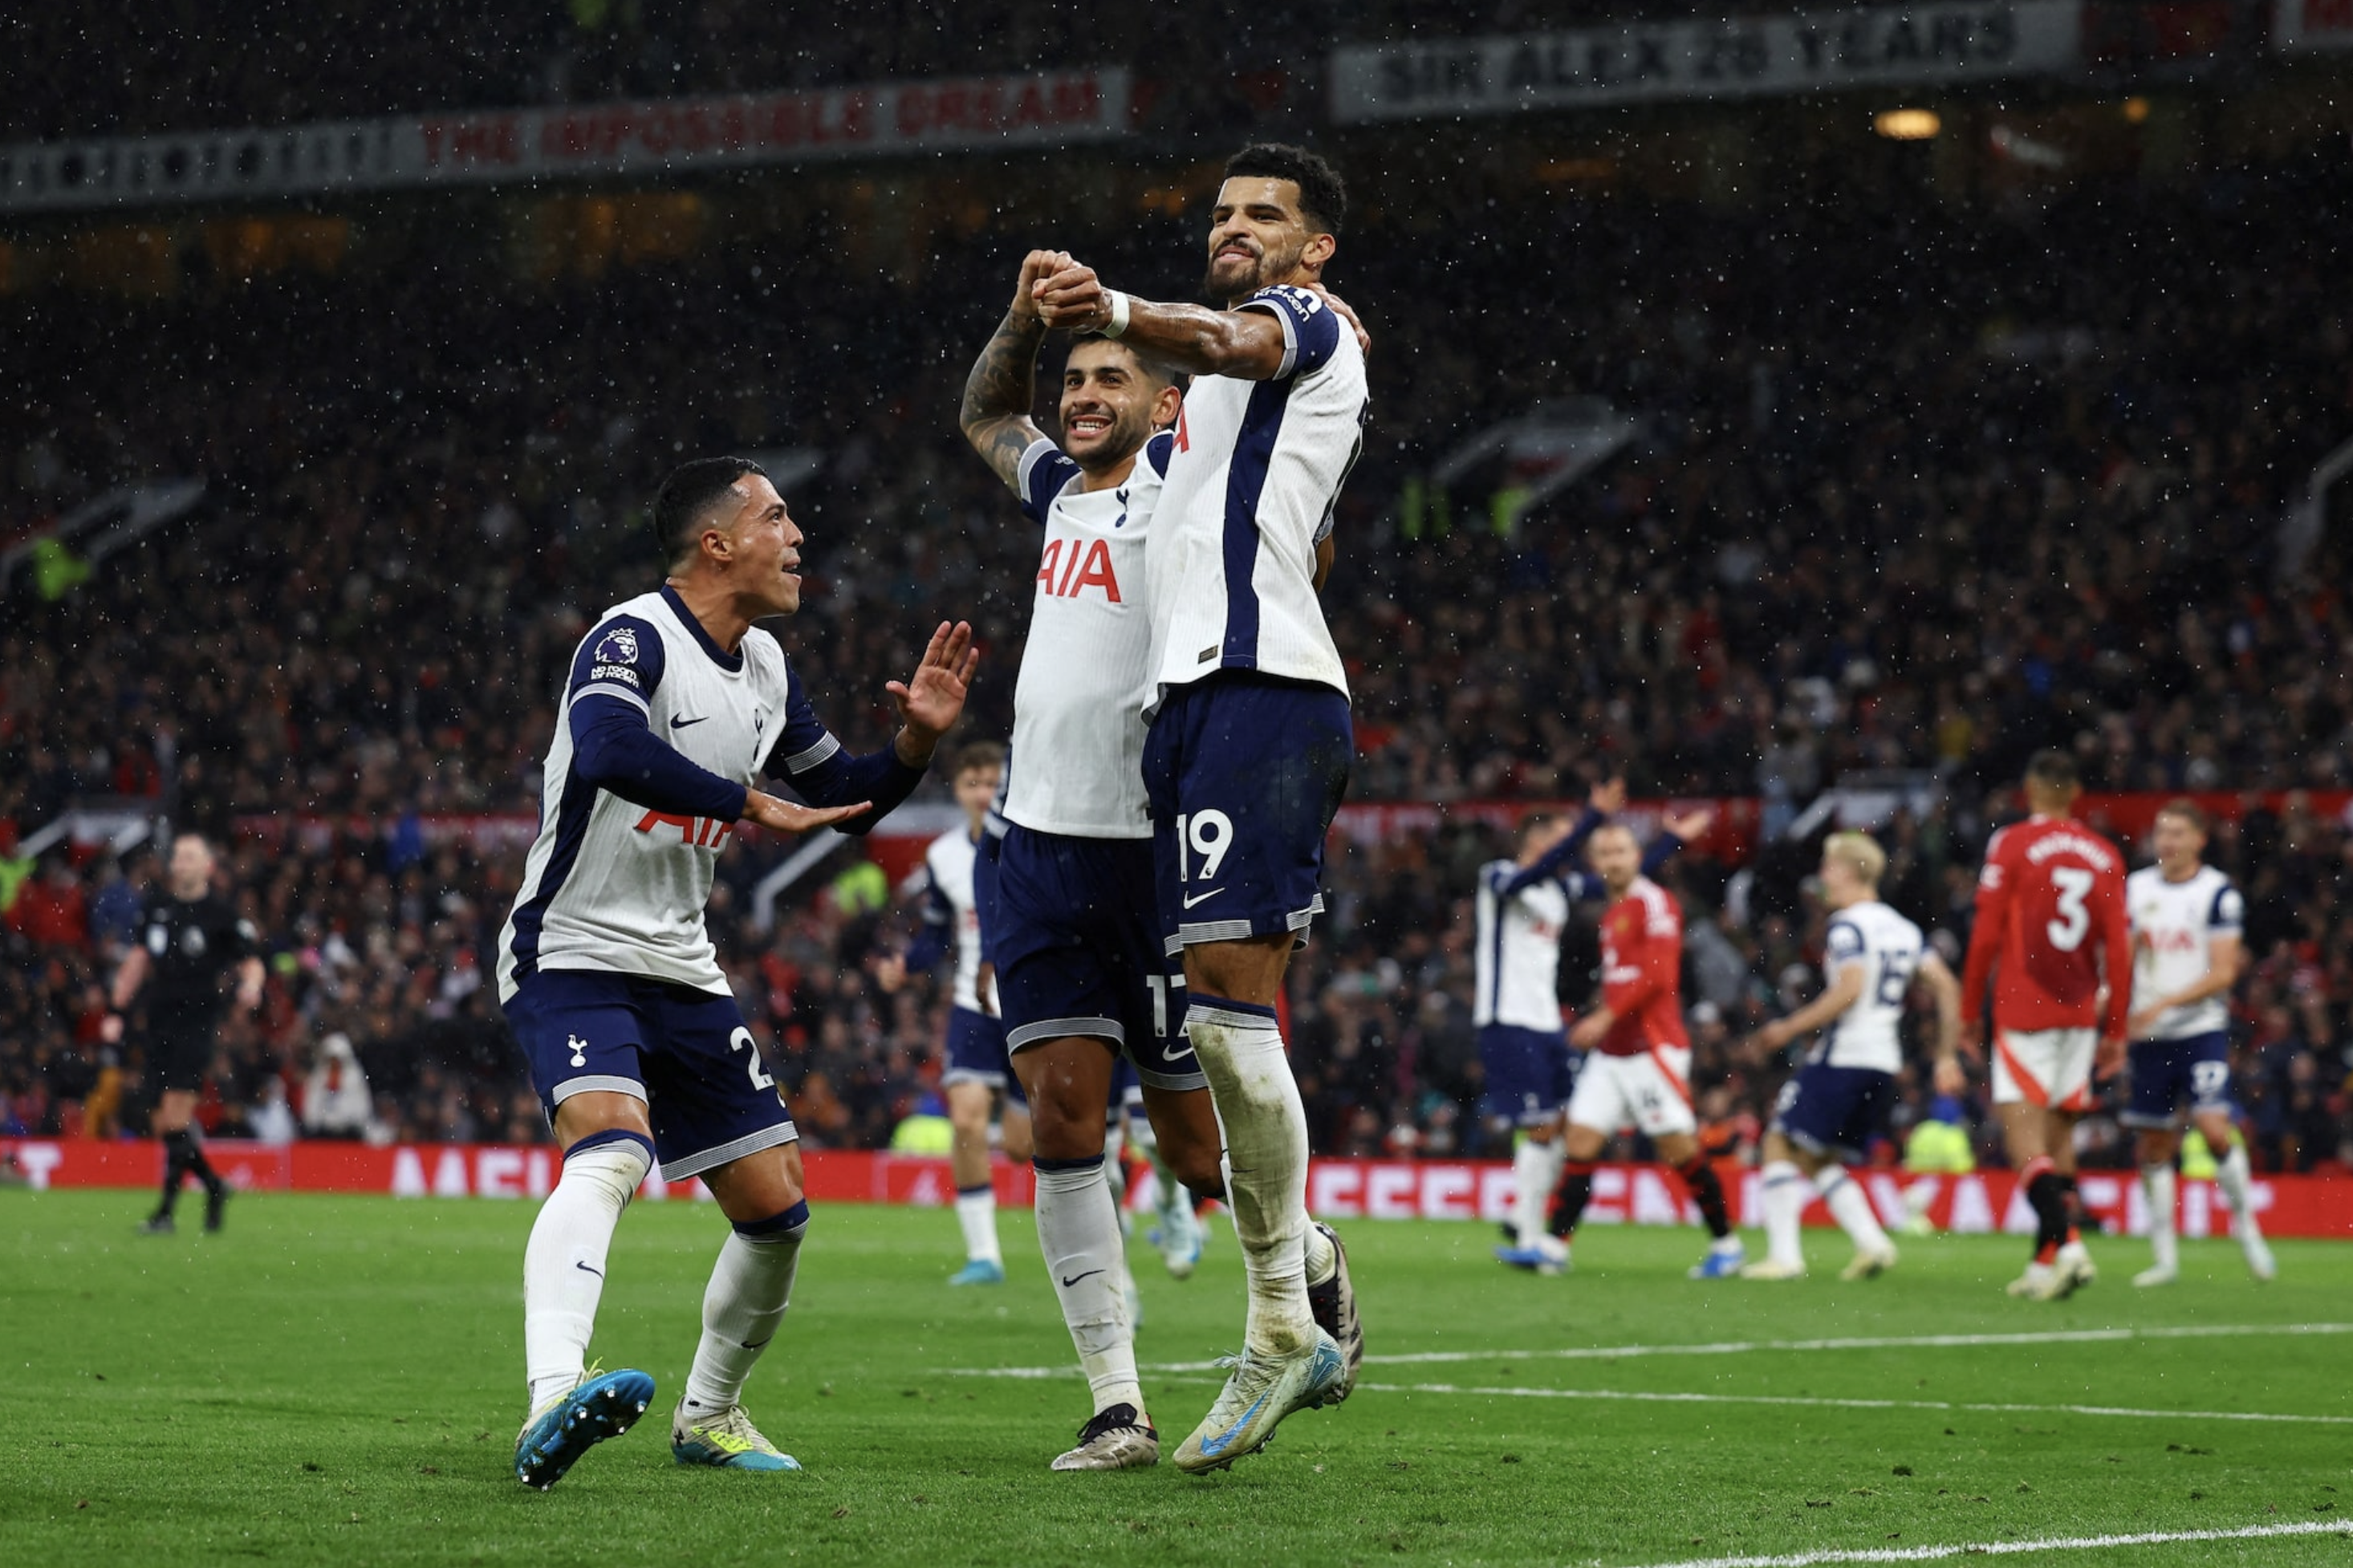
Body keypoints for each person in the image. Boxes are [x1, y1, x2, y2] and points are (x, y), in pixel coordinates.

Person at [496, 457, 976, 1489]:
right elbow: (608, 748)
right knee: (613, 1148)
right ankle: (549, 1399)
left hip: (681, 964)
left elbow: (839, 795)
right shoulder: (631, 636)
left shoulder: (764, 665)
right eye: (776, 516)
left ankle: (707, 1415)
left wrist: (912, 745)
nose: (798, 535)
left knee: (775, 1207)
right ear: (716, 542)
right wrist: (744, 801)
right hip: (573, 943)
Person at [1030, 141, 1368, 1473]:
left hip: (1261, 687)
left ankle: (1283, 1314)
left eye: (1265, 215)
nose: (1234, 226)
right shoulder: (1221, 395)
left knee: (1228, 1010)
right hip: (1192, 708)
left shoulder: (1296, 322)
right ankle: (1306, 1277)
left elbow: (1228, 335)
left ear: (1314, 247)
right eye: (1221, 210)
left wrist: (1108, 307)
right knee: (1215, 1026)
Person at [958, 260, 1232, 1471]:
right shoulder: (1062, 488)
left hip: (1154, 859)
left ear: (1163, 405)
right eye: (1073, 380)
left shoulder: (1184, 481)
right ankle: (1118, 1402)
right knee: (1062, 1117)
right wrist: (1032, 314)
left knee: (1195, 1152)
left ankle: (1309, 1264)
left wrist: (1126, 311)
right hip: (1038, 852)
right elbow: (980, 415)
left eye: (1110, 377)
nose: (1081, 394)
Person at [1485, 784, 1713, 1272]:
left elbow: (1622, 877)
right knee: (1543, 1123)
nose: (1580, 852)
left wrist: (1671, 843)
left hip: (1546, 1020)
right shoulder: (1500, 876)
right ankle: (1528, 1230)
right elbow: (1542, 869)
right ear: (1539, 839)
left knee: (1563, 1126)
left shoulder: (1558, 889)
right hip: (1508, 1017)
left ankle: (1528, 1226)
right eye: (1569, 840)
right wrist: (1591, 816)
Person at [1740, 831, 1964, 1281]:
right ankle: (1872, 1243)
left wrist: (1787, 1026)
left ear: (1846, 871)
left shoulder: (1847, 926)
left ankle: (1785, 1257)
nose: (1823, 877)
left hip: (1846, 1054)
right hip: (1883, 1062)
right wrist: (1945, 1056)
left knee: (1779, 1141)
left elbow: (1850, 988)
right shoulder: (1903, 928)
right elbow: (1947, 987)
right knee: (1818, 1157)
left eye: (1827, 867)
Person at [1957, 750, 2131, 1302]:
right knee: (2059, 1144)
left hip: (2023, 1007)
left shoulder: (2010, 844)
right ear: (2075, 790)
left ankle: (2072, 1245)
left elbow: (1985, 935)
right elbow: (2120, 952)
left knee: (2024, 1144)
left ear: (2030, 788)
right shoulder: (2104, 855)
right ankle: (2042, 1263)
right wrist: (2116, 1028)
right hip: (2080, 1012)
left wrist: (1968, 1014)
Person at [1540, 823, 1745, 1278]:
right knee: (1581, 1139)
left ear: (1637, 855)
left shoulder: (1653, 903)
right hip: (1613, 1052)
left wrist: (1603, 1017)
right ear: (1595, 862)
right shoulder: (1612, 913)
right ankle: (1554, 1248)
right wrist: (1603, 1017)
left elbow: (1659, 978)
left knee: (1678, 1148)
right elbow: (1624, 981)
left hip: (1652, 1048)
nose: (1614, 859)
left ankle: (1727, 1245)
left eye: (1621, 850)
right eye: (1605, 852)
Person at [879, 741, 1035, 1286]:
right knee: (965, 1119)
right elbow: (939, 932)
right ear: (959, 791)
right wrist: (907, 962)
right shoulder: (944, 855)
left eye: (993, 782)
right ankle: (984, 1255)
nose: (983, 793)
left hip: (1027, 1005)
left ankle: (1110, 1168)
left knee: (1022, 1146)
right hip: (972, 1006)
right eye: (973, 783)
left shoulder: (1026, 847)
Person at [2121, 800, 2274, 1286]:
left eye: (2178, 833)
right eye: (2162, 832)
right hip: (2148, 1034)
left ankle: (2246, 1227)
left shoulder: (2217, 894)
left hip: (2200, 1029)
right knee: (2153, 1145)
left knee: (2212, 1128)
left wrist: (2165, 1004)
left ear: (2199, 840)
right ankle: (2165, 1258)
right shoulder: (2136, 887)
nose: (2167, 842)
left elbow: (2224, 972)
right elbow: (2125, 952)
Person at [104, 832, 262, 1235]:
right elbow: (138, 961)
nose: (182, 862)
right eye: (178, 856)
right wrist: (116, 1009)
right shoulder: (157, 908)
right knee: (162, 1123)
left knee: (176, 1116)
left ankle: (166, 1215)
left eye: (191, 856)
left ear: (208, 866)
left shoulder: (220, 915)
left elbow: (251, 961)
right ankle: (213, 1185)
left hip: (196, 1024)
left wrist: (251, 986)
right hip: (158, 1023)